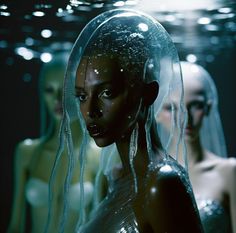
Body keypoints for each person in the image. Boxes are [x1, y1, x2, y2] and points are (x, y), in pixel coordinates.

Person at [58, 9, 204, 233]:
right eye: (82, 96)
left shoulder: (162, 184)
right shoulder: (120, 177)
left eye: (107, 93)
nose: (90, 111)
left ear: (148, 93)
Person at [7, 52, 101, 233]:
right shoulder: (26, 152)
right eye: (49, 90)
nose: (58, 98)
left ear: (84, 92)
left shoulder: (98, 155)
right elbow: (16, 225)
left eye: (66, 89)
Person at [157, 61, 236, 233]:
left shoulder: (229, 172)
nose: (185, 118)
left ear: (207, 108)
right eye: (171, 108)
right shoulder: (146, 174)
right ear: (156, 113)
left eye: (196, 105)